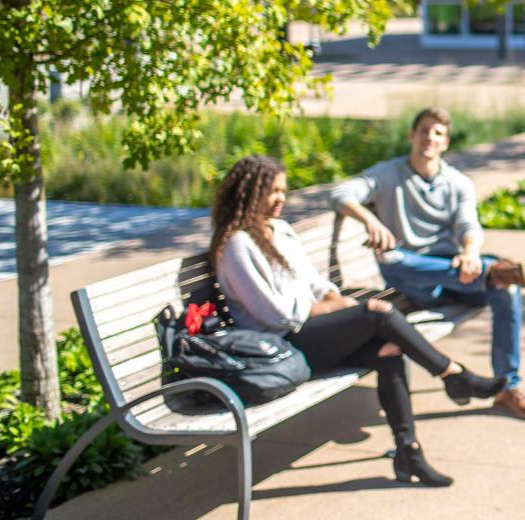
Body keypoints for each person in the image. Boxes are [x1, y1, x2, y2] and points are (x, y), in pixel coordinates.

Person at [212, 155, 507, 487]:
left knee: (389, 348)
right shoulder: (237, 244)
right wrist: (325, 309)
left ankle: (409, 450)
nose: (281, 199)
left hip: (309, 335)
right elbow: (274, 314)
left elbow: (312, 280)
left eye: (283, 190)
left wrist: (330, 298)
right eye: (272, 191)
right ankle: (453, 374)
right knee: (377, 313)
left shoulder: (279, 230)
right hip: (280, 346)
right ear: (249, 191)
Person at [331, 107, 525, 420]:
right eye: (424, 131)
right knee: (391, 257)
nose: (429, 138)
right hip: (412, 277)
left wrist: (470, 254)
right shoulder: (388, 173)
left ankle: (507, 388)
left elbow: (468, 225)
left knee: (507, 289)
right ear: (411, 136)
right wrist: (369, 220)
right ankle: (488, 271)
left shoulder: (457, 183)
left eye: (437, 133)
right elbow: (340, 193)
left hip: (457, 274)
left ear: (445, 142)